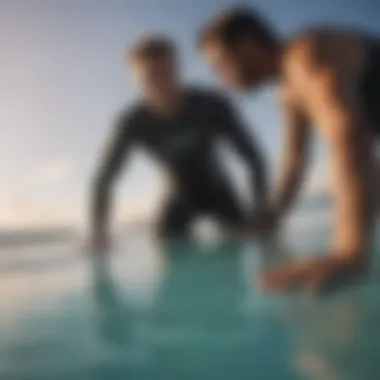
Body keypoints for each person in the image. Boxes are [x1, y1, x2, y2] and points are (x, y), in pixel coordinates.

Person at [198, 6, 380, 292]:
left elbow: (348, 134)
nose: (222, 79)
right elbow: (293, 164)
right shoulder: (288, 89)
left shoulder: (307, 54)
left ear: (247, 46)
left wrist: (350, 249)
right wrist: (268, 219)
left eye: (221, 65)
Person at [89, 36, 267, 252]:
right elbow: (105, 177)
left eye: (167, 74)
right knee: (165, 253)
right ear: (136, 82)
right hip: (177, 201)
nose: (162, 85)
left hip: (220, 194)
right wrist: (98, 232)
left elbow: (252, 157)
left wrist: (259, 211)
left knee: (255, 243)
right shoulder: (132, 122)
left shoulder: (212, 105)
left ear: (177, 71)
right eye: (151, 78)